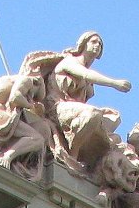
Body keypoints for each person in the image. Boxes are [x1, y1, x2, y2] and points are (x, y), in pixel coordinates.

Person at [21, 32, 132, 171]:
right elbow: (87, 75)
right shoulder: (70, 61)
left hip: (73, 109)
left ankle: (80, 151)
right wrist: (114, 83)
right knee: (93, 113)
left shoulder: (88, 78)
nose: (97, 45)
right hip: (56, 106)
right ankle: (72, 155)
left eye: (100, 44)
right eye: (94, 42)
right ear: (83, 44)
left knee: (113, 117)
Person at [0, 72, 52, 180]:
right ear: (37, 84)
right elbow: (15, 98)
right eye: (34, 95)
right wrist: (31, 105)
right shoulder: (28, 80)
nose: (31, 97)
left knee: (40, 132)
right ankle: (8, 156)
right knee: (37, 139)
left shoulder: (10, 80)